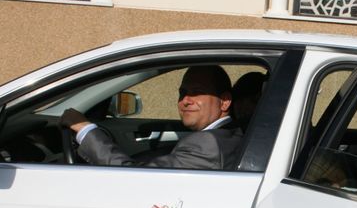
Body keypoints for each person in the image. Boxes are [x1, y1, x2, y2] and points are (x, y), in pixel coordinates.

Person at [60, 65, 243, 170]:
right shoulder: (230, 134)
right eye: (183, 92)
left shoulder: (208, 144)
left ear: (225, 102)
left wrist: (85, 129)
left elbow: (134, 177)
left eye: (197, 92)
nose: (185, 100)